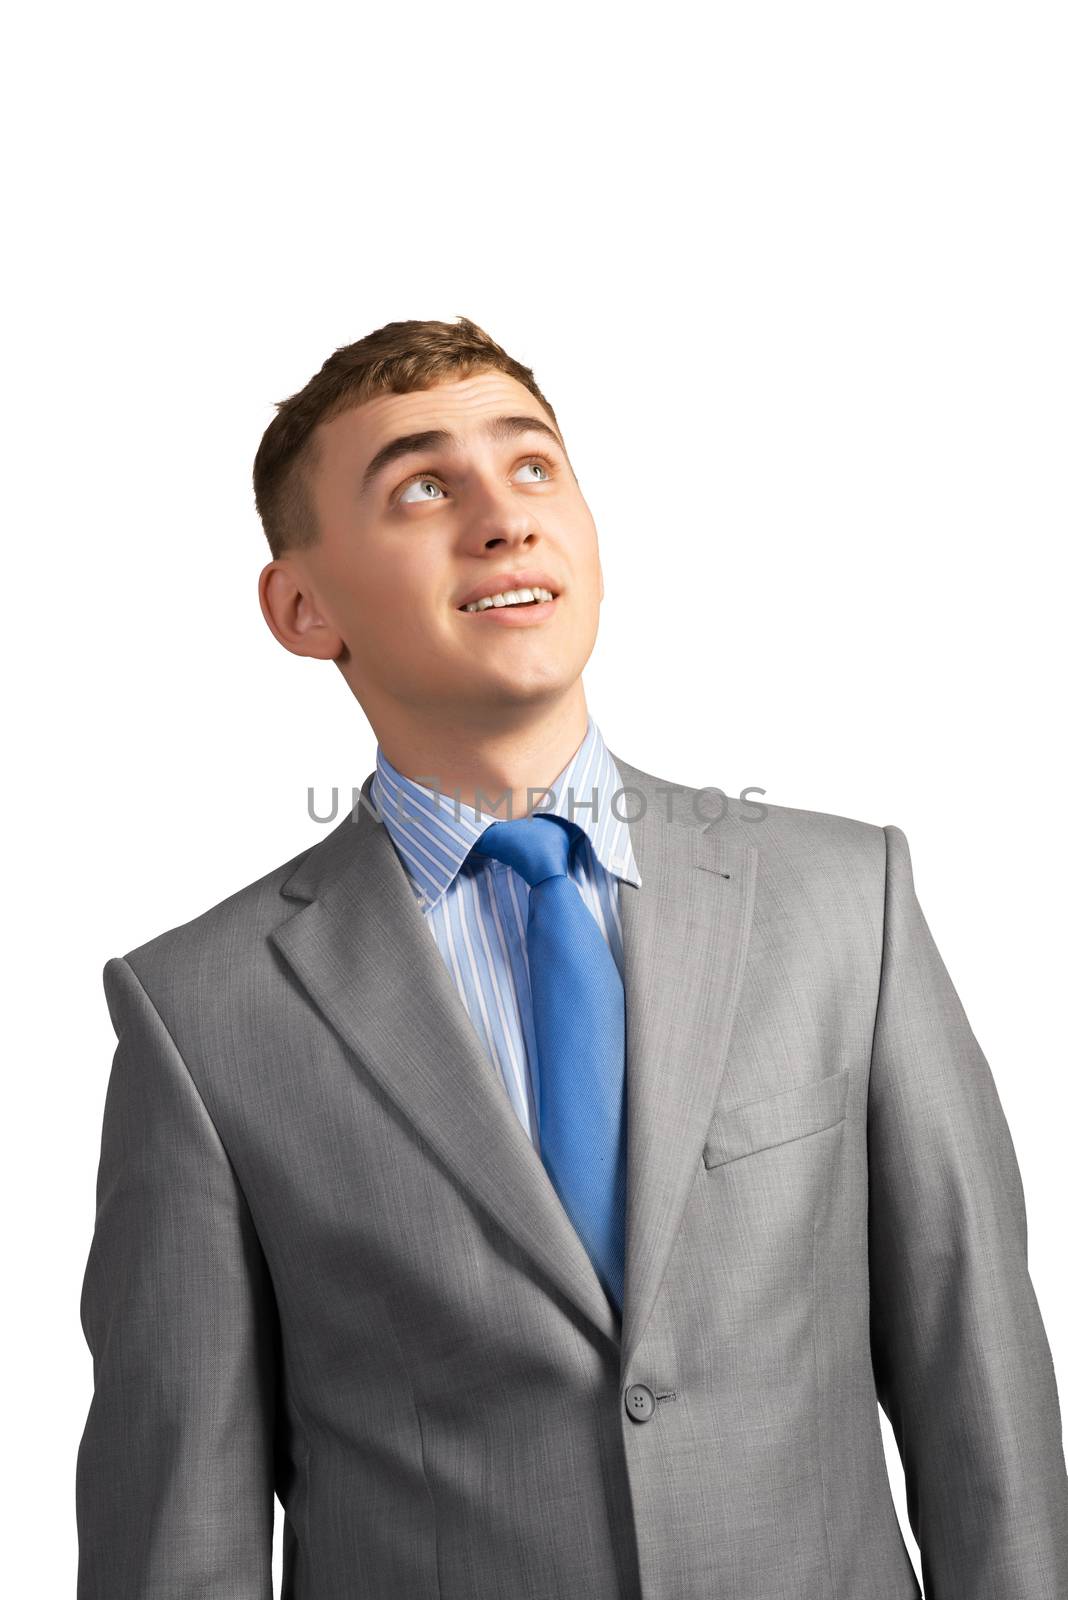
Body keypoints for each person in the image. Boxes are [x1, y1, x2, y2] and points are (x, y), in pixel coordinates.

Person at [76, 315, 1068, 1599]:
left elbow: (979, 1393)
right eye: (423, 485)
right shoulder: (200, 1012)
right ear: (302, 605)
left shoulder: (846, 903)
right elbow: (178, 1542)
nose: (502, 517)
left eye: (533, 465)